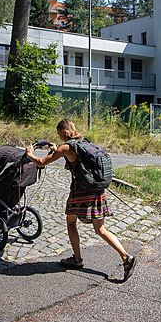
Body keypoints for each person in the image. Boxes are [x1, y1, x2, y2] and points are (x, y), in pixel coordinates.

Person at [25, 119, 137, 282]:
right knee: (100, 229)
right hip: (97, 191)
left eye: (59, 134)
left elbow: (41, 163)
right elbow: (75, 164)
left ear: (63, 132)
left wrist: (30, 154)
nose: (60, 137)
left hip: (80, 193)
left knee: (71, 222)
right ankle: (126, 257)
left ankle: (77, 259)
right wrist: (59, 151)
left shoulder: (66, 147)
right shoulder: (84, 143)